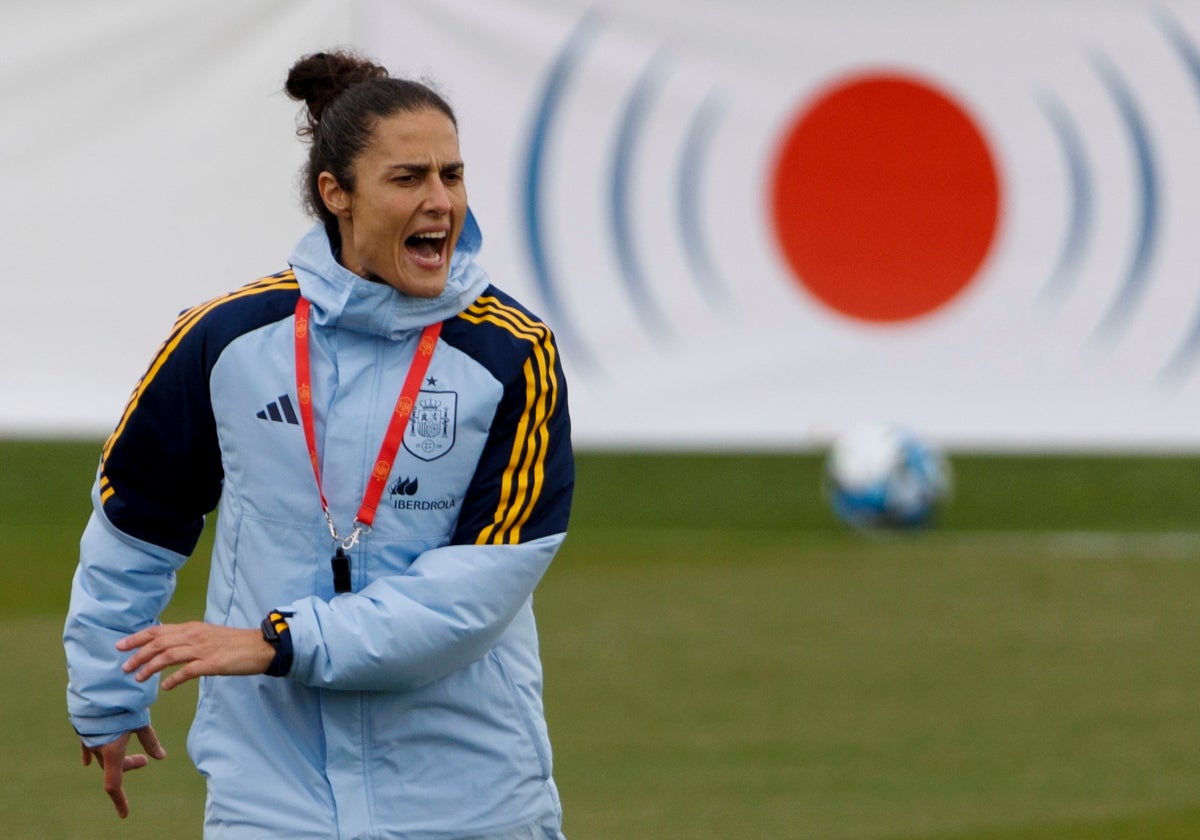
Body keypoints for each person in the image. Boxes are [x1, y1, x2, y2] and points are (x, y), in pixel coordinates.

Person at [63, 49, 573, 840]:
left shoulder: (512, 353)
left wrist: (280, 643)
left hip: (470, 798)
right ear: (336, 194)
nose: (443, 202)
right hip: (271, 799)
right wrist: (105, 691)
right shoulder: (224, 338)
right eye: (409, 178)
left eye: (453, 174)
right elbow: (136, 523)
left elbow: (476, 591)